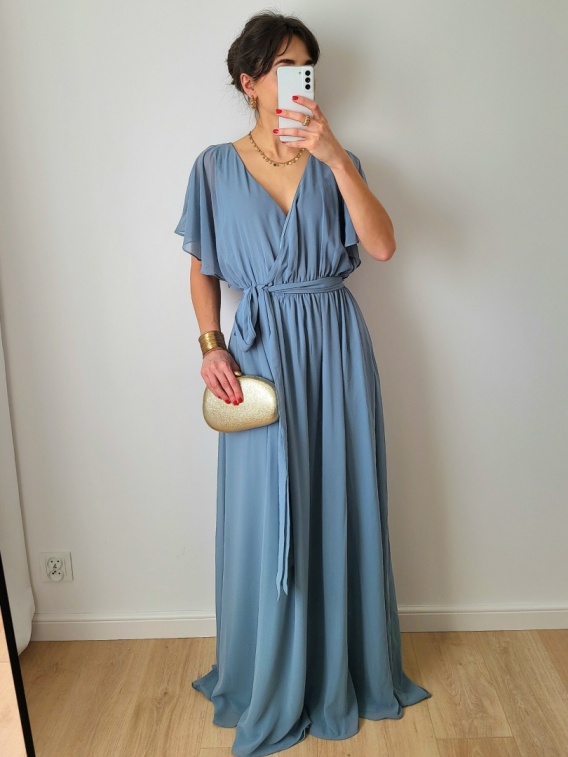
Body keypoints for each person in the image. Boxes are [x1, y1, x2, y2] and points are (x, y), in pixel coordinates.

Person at [174, 11, 432, 757]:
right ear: (250, 82)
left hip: (335, 349)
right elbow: (202, 269)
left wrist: (336, 157)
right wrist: (210, 346)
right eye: (284, 67)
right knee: (265, 513)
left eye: (306, 66)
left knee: (341, 497)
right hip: (258, 355)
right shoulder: (214, 167)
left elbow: (382, 245)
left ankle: (342, 667)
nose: (298, 79)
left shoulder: (337, 158)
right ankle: (268, 671)